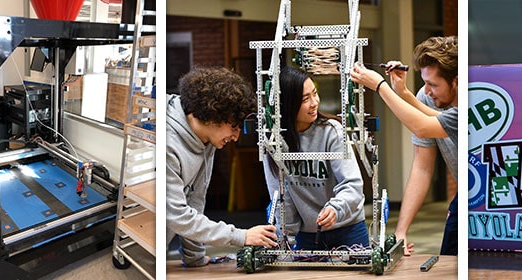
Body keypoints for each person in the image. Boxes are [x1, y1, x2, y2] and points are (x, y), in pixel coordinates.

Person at [350, 36, 458, 255]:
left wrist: (380, 86)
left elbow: (424, 126)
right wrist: (401, 231)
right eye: (424, 83)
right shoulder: (429, 99)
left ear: (456, 82)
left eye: (433, 84)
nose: (427, 91)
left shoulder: (472, 101)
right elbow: (422, 166)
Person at [166, 66, 278, 267]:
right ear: (212, 115)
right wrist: (241, 236)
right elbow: (177, 215)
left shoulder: (207, 140)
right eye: (233, 127)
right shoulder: (167, 144)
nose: (235, 137)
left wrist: (195, 259)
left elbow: (195, 201)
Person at [263, 66, 368, 250]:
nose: (314, 102)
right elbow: (280, 195)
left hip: (348, 229)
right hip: (307, 235)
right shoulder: (273, 141)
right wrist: (287, 236)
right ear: (287, 104)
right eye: (305, 99)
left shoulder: (332, 131)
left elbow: (352, 185)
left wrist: (336, 209)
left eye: (315, 93)